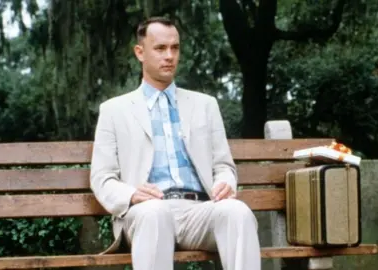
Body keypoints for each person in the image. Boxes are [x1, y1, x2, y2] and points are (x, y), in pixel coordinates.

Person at [89, 16, 261, 270]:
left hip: (199, 211)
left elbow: (224, 166)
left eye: (175, 48)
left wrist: (225, 183)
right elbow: (102, 178)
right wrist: (132, 194)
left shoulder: (205, 105)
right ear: (140, 52)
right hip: (145, 212)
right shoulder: (114, 110)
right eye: (160, 48)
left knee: (238, 212)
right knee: (154, 212)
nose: (169, 56)